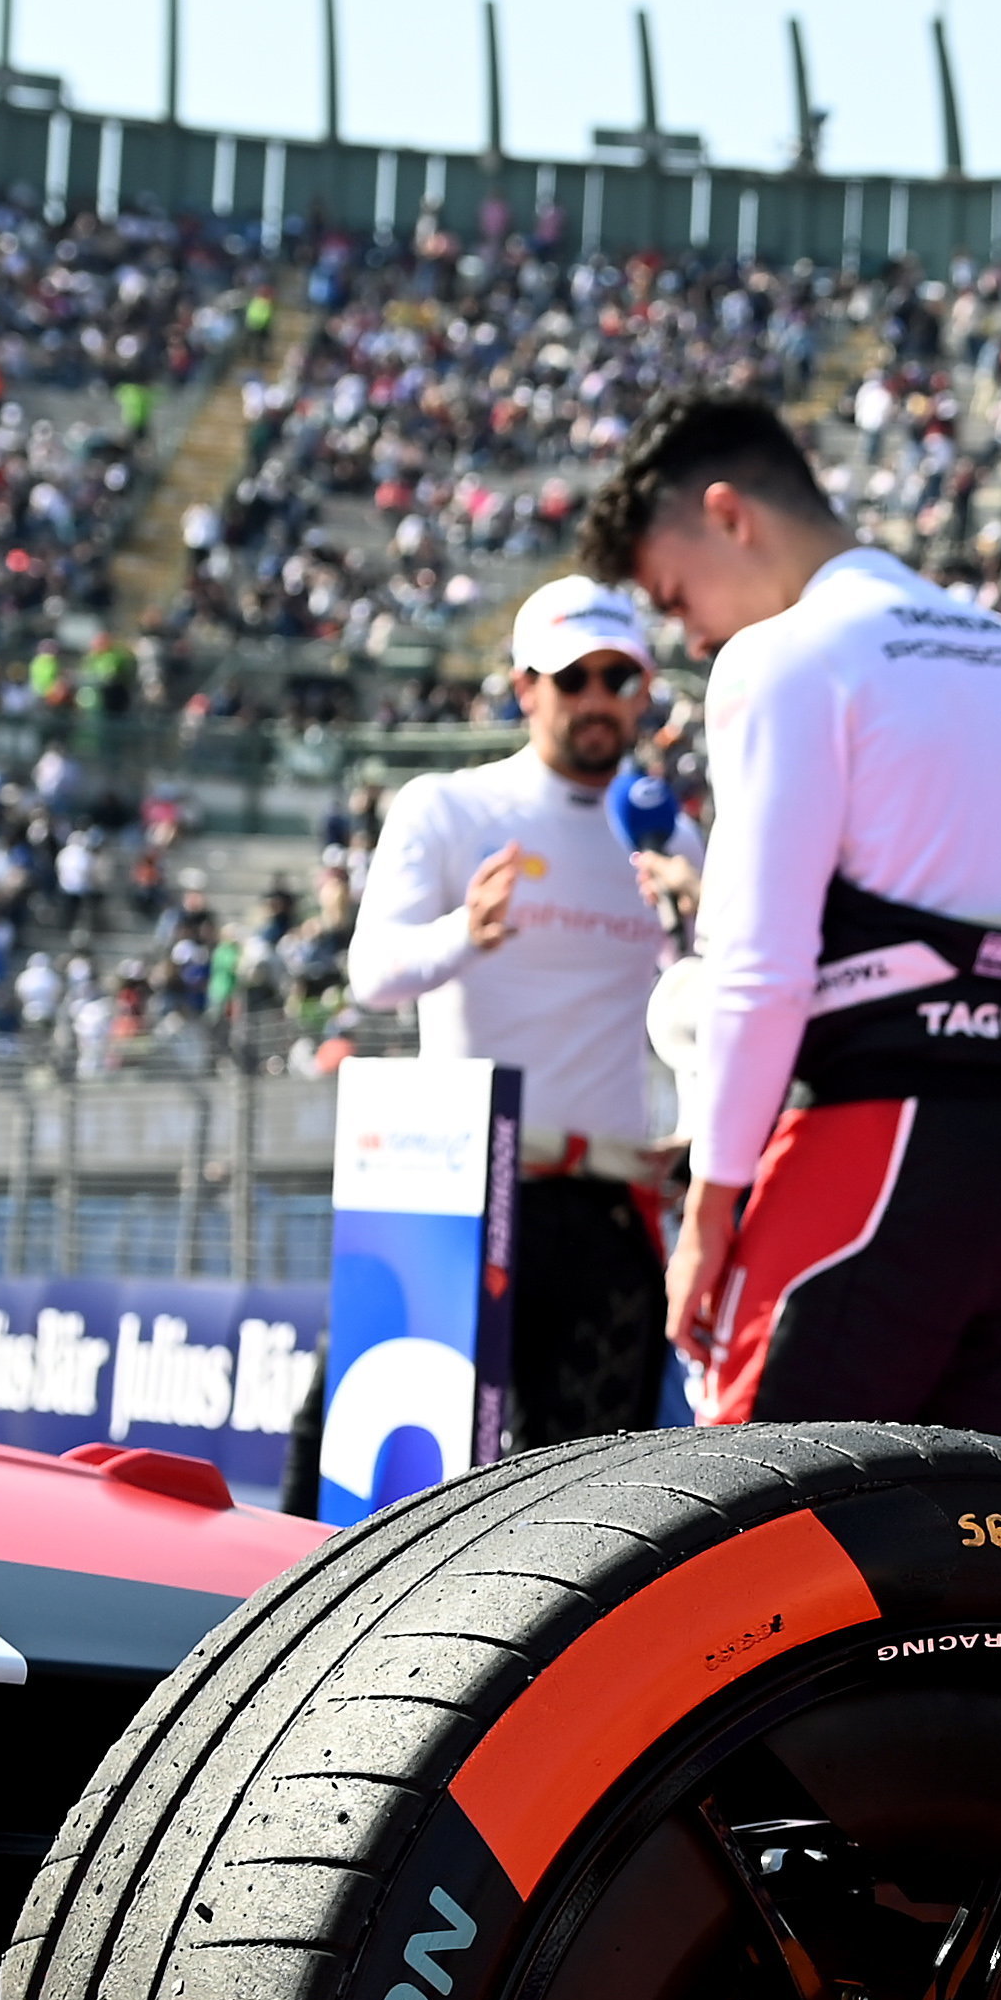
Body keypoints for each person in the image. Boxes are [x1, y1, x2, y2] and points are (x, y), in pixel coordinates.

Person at [578, 391, 1001, 1433]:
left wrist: (710, 1205)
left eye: (674, 590)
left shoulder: (783, 655)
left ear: (728, 515)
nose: (687, 630)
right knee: (975, 1554)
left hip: (884, 1143)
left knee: (746, 1536)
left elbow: (760, 964)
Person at [338, 573, 690, 1445]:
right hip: (463, 1199)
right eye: (573, 678)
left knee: (579, 1503)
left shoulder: (669, 836)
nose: (599, 699)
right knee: (403, 1481)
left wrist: (701, 1126)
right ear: (526, 686)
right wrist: (465, 933)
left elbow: (709, 1008)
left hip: (608, 1206)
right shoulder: (450, 805)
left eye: (621, 678)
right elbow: (371, 973)